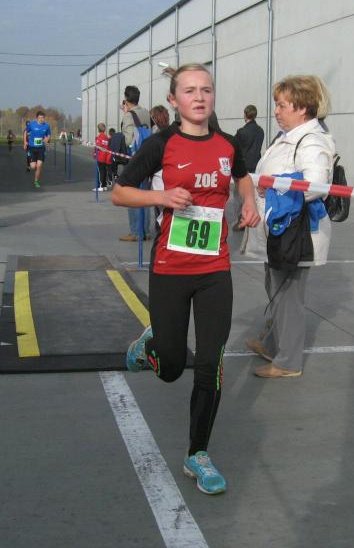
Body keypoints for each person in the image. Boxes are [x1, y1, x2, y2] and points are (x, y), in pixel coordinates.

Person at [112, 63, 260, 495]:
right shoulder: (160, 144)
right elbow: (120, 191)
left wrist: (249, 203)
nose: (199, 97)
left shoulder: (228, 144)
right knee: (172, 368)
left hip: (214, 269)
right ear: (174, 100)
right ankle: (150, 346)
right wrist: (160, 195)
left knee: (211, 362)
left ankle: (198, 454)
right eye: (190, 91)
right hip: (170, 268)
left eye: (206, 90)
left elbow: (243, 179)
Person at [242, 75, 335, 379]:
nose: (277, 111)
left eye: (282, 105)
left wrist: (273, 188)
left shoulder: (311, 141)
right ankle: (273, 344)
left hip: (296, 234)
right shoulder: (289, 136)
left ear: (303, 108)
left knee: (288, 297)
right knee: (276, 289)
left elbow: (315, 185)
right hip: (279, 230)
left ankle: (288, 362)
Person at [119, 85, 152, 241]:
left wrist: (126, 115)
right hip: (148, 158)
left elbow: (128, 140)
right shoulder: (145, 112)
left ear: (126, 99)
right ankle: (145, 231)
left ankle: (135, 232)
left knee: (131, 195)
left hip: (134, 159)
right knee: (145, 195)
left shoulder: (128, 116)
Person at [230, 104, 265, 230]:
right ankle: (253, 217)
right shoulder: (260, 131)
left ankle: (241, 219)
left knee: (239, 195)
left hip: (243, 167)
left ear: (245, 115)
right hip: (256, 165)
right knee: (254, 195)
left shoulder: (241, 132)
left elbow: (234, 147)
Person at [25, 111, 51, 188]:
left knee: (39, 166)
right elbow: (25, 132)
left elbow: (49, 135)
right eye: (39, 118)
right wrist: (25, 142)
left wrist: (47, 139)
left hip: (41, 148)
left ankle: (36, 181)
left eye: (42, 118)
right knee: (33, 167)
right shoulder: (32, 124)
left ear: (44, 118)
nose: (41, 119)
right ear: (37, 118)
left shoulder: (46, 126)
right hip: (32, 148)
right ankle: (32, 163)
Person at [93, 123, 112, 191]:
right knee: (104, 171)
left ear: (98, 129)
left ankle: (100, 186)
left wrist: (94, 153)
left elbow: (98, 146)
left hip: (100, 156)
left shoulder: (99, 137)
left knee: (100, 171)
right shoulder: (106, 137)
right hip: (106, 156)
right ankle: (104, 185)